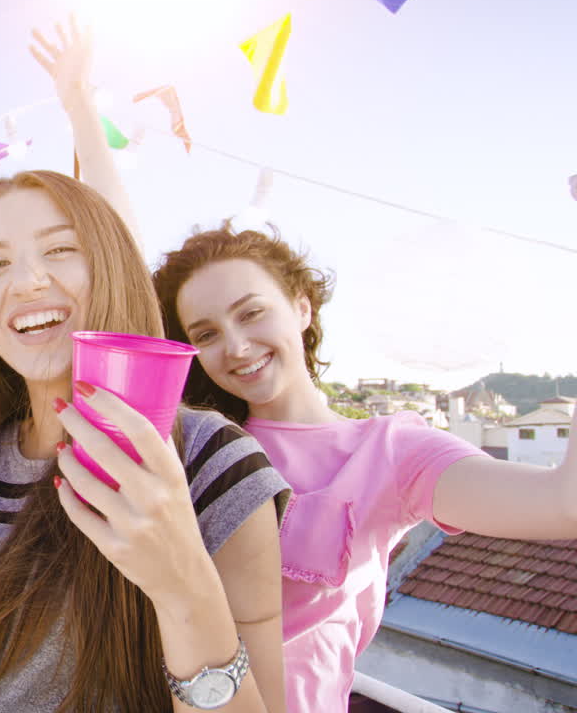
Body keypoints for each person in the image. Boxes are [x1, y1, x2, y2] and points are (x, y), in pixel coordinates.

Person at [0, 17, 289, 713]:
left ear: (111, 266)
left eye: (59, 250)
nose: (24, 281)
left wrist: (183, 589)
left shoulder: (213, 463)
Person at [153, 225, 577, 712]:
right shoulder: (193, 447)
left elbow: (563, 505)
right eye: (206, 334)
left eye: (251, 313)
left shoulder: (392, 452)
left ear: (301, 307)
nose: (236, 346)